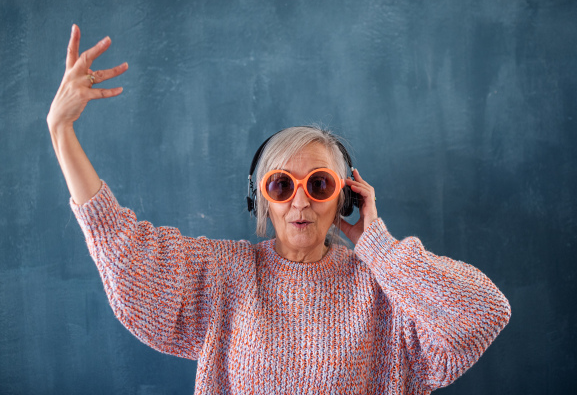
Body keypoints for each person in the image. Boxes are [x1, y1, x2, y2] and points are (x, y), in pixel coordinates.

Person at [48, 25, 511, 395]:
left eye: (320, 184)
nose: (301, 200)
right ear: (262, 199)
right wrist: (61, 133)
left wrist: (381, 249)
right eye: (282, 185)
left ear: (345, 197)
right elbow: (127, 254)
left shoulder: (385, 288)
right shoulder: (226, 274)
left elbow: (484, 312)